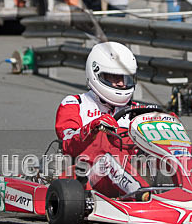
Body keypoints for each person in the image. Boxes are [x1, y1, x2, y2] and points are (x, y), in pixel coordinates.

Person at [55, 42, 143, 197]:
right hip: (88, 174)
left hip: (135, 168)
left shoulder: (138, 110)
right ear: (97, 74)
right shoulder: (75, 103)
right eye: (114, 77)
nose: (121, 83)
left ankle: (186, 192)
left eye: (125, 77)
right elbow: (68, 142)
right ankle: (142, 195)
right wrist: (93, 128)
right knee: (106, 149)